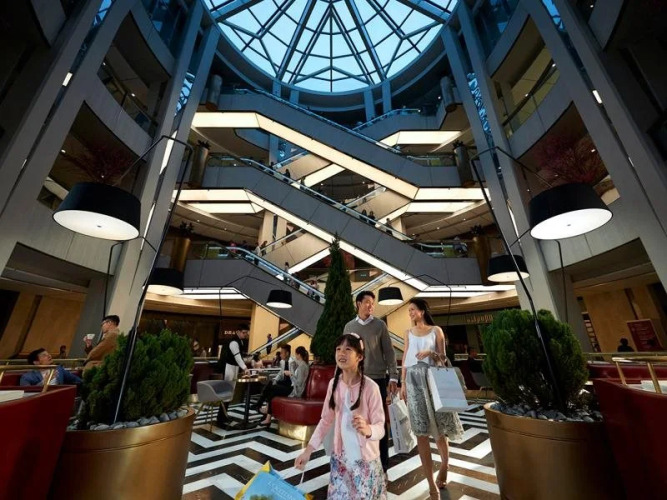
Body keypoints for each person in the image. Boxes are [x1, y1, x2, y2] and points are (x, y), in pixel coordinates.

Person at [295, 334, 386, 499]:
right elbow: (325, 420)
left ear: (360, 357)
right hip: (340, 461)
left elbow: (380, 427)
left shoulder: (371, 388)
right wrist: (308, 451)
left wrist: (368, 430)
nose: (341, 353)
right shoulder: (333, 384)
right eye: (338, 349)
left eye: (348, 349)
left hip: (366, 463)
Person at [400, 298, 463, 499]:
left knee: (440, 431)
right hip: (413, 382)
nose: (410, 313)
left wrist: (431, 353)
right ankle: (430, 484)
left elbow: (443, 360)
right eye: (409, 310)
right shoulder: (408, 333)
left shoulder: (436, 331)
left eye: (412, 309)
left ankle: (445, 465)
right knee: (421, 433)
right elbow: (405, 359)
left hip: (433, 380)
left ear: (422, 311)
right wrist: (402, 384)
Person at [343, 291, 398, 473]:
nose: (371, 306)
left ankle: (383, 466)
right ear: (358, 303)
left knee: (378, 423)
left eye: (373, 303)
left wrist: (393, 376)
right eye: (367, 302)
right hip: (355, 380)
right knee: (356, 422)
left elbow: (389, 352)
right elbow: (345, 353)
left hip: (377, 380)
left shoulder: (380, 325)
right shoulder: (349, 326)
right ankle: (359, 463)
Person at [259, 346, 310, 426]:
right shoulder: (301, 365)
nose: (295, 356)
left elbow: (299, 383)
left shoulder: (302, 366)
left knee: (273, 388)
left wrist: (290, 374)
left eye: (296, 354)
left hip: (295, 391)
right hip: (293, 388)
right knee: (272, 391)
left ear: (299, 355)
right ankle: (267, 417)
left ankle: (264, 408)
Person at [216, 324, 250, 425]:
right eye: (244, 333)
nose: (245, 334)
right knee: (227, 392)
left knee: (230, 392)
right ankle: (221, 417)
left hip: (234, 367)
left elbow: (239, 357)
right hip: (228, 367)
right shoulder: (234, 342)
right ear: (238, 332)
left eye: (246, 333)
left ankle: (224, 415)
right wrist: (245, 368)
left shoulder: (240, 341)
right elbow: (237, 357)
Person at [254, 344, 294, 412]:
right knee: (270, 384)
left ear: (287, 353)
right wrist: (275, 380)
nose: (280, 355)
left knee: (272, 388)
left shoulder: (293, 362)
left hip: (290, 387)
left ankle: (261, 406)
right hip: (283, 384)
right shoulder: (282, 362)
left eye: (282, 353)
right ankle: (261, 407)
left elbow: (296, 376)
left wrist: (290, 373)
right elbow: (280, 373)